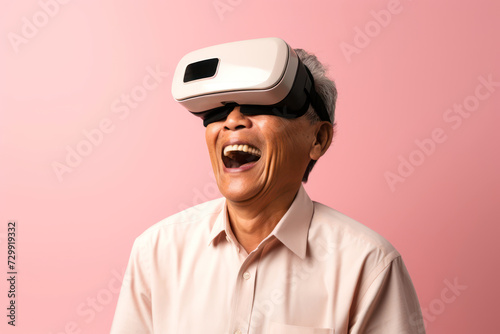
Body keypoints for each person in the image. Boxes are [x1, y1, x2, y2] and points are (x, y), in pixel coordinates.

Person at [110, 38, 425, 334]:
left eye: (261, 105)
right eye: (217, 111)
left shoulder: (368, 266)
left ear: (318, 139)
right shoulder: (156, 252)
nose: (232, 121)